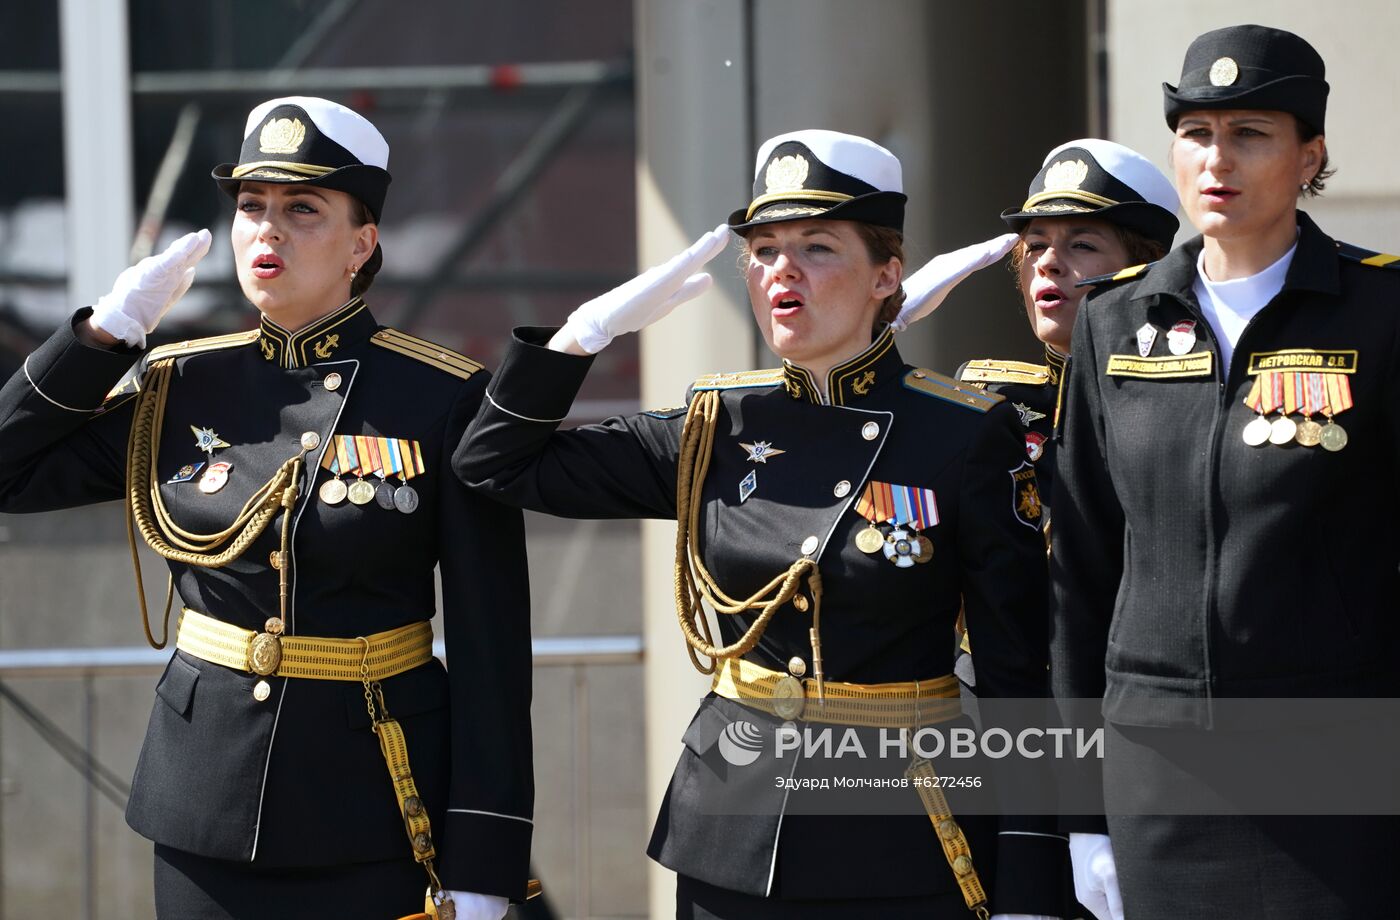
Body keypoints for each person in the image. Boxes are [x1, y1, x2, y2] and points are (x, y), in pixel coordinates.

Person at [456, 129, 1066, 919]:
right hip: (728, 826)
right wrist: (579, 339)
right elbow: (495, 465)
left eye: (817, 247)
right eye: (764, 250)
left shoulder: (961, 433)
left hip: (897, 832)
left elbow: (1019, 677)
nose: (783, 269)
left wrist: (1031, 885)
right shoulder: (719, 423)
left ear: (888, 274)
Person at [0, 96, 532, 920]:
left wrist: (486, 863)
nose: (266, 231)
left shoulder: (442, 396)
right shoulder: (180, 384)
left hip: (372, 806)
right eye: (252, 207)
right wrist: (98, 341)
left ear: (364, 243)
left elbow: (494, 655)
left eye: (302, 209)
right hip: (201, 805)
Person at [1051, 25, 1400, 919]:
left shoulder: (1384, 311)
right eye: (1197, 133)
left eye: (1251, 135)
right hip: (1157, 771)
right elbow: (1081, 572)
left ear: (1309, 154)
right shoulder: (1114, 322)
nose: (1218, 160)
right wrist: (1080, 810)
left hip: (1337, 767)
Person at [956, 138, 1178, 514]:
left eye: (1083, 245)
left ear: (1145, 270)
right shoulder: (987, 401)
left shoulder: (1183, 404)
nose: (1048, 263)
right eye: (1036, 246)